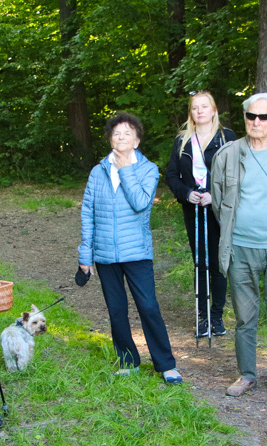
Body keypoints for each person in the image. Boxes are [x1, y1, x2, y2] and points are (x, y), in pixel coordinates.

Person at [78, 112, 182, 384]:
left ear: (136, 140)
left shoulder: (147, 170)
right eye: (116, 133)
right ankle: (128, 361)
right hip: (104, 254)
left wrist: (125, 169)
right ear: (110, 139)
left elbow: (140, 203)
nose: (121, 137)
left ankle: (166, 364)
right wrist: (85, 254)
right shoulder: (98, 171)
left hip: (136, 252)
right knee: (116, 309)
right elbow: (88, 213)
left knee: (148, 306)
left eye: (127, 133)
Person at [210, 93, 267, 399]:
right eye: (251, 116)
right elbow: (219, 201)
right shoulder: (227, 154)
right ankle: (247, 375)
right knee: (245, 318)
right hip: (239, 248)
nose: (257, 122)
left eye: (264, 117)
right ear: (245, 117)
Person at [165, 91, 236, 337]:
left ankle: (217, 317)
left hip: (218, 208)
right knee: (200, 262)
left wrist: (215, 197)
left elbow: (236, 176)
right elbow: (171, 175)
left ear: (214, 110)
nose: (200, 112)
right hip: (193, 208)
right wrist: (186, 194)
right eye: (195, 108)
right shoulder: (182, 140)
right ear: (191, 112)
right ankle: (202, 317)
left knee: (217, 263)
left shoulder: (228, 138)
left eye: (204, 107)